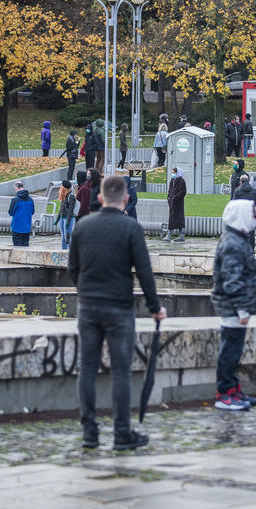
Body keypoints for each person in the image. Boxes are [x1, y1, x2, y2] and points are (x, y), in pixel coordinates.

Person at [69, 175, 166, 451]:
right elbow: (144, 271)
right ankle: (122, 432)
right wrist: (155, 307)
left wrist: (85, 291)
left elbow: (73, 269)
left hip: (88, 306)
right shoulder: (130, 228)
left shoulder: (82, 227)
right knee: (120, 371)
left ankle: (90, 431)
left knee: (86, 367)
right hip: (120, 307)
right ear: (125, 199)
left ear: (99, 198)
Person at [211, 199, 256, 411]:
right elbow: (232, 280)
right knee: (230, 350)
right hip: (232, 307)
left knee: (234, 349)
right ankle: (224, 392)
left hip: (237, 306)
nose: (254, 218)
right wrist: (242, 308)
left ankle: (232, 388)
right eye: (250, 214)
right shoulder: (233, 243)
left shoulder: (238, 239)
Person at [233, 173, 256, 249]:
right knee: (251, 233)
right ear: (248, 181)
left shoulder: (237, 192)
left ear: (240, 182)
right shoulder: (254, 191)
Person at [8, 180, 35, 246]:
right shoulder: (30, 199)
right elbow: (32, 212)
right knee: (26, 247)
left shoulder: (15, 200)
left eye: (14, 188)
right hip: (27, 227)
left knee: (17, 248)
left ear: (16, 188)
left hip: (17, 227)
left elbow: (11, 213)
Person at [166, 167, 187, 242]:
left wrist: (175, 197)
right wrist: (168, 198)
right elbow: (169, 191)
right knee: (171, 219)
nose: (173, 174)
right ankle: (169, 235)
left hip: (178, 203)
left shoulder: (182, 181)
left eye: (174, 173)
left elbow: (183, 192)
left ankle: (180, 235)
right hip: (172, 203)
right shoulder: (172, 180)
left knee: (178, 219)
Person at [55, 179, 76, 249]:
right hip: (62, 218)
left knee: (68, 237)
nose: (60, 189)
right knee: (63, 237)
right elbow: (61, 209)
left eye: (62, 187)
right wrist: (57, 220)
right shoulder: (64, 196)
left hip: (68, 218)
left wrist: (68, 221)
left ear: (65, 188)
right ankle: (63, 251)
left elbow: (70, 210)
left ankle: (70, 253)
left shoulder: (71, 196)